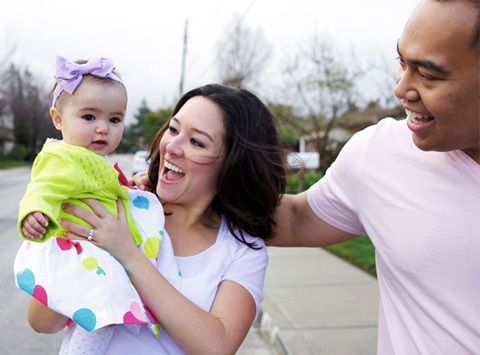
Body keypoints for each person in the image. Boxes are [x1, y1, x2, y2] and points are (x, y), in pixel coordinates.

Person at [269, 0, 480, 354]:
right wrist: (173, 196)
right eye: (402, 62)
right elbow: (294, 220)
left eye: (427, 75)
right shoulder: (378, 154)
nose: (401, 88)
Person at [25, 84, 287, 354]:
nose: (171, 146)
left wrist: (127, 253)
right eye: (173, 130)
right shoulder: (121, 206)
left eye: (196, 141)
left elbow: (218, 346)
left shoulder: (242, 251)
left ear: (234, 163)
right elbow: (42, 322)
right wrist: (86, 250)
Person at [14, 56, 180, 353]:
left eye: (114, 119)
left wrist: (131, 185)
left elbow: (104, 190)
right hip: (84, 251)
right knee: (101, 319)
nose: (103, 128)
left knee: (103, 315)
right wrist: (35, 212)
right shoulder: (60, 157)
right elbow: (43, 187)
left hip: (101, 250)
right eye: (89, 117)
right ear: (58, 119)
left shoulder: (93, 160)